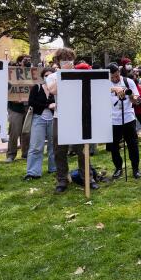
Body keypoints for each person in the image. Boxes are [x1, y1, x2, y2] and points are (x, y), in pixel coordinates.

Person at [50, 47, 94, 193]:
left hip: (77, 116)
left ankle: (87, 177)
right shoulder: (53, 76)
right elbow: (53, 90)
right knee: (59, 150)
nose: (68, 62)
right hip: (60, 117)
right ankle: (62, 179)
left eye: (70, 59)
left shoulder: (80, 74)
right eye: (64, 60)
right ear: (58, 62)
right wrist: (64, 73)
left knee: (82, 149)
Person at [106, 63, 141, 179]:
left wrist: (133, 98)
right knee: (114, 146)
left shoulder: (128, 82)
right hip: (112, 119)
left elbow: (136, 99)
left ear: (119, 72)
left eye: (116, 76)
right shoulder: (105, 83)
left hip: (128, 117)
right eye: (112, 77)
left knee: (132, 144)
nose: (115, 79)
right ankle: (118, 168)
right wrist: (114, 88)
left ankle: (135, 168)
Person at [24, 67, 57, 180]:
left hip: (53, 119)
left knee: (54, 146)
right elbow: (31, 102)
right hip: (39, 119)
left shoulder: (57, 90)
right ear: (43, 77)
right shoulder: (37, 88)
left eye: (50, 75)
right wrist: (47, 105)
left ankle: (54, 168)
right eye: (46, 75)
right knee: (36, 146)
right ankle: (33, 172)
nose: (48, 77)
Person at [6, 55, 31, 163]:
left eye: (29, 61)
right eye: (25, 61)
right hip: (15, 107)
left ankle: (25, 153)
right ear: (19, 62)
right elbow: (8, 90)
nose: (27, 63)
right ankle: (11, 154)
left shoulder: (31, 74)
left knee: (26, 131)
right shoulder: (12, 75)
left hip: (27, 107)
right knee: (14, 132)